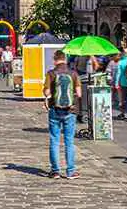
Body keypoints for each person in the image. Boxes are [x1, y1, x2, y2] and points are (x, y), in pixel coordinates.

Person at [43, 49, 82, 179]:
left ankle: (55, 171)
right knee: (69, 141)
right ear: (65, 59)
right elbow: (79, 94)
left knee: (54, 140)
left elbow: (47, 92)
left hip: (55, 109)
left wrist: (48, 95)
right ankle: (70, 171)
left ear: (55, 60)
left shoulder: (51, 74)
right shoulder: (73, 73)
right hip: (70, 111)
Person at [111, 49, 127, 120]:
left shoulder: (121, 62)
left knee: (123, 99)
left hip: (123, 82)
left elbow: (118, 74)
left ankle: (123, 113)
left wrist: (116, 83)